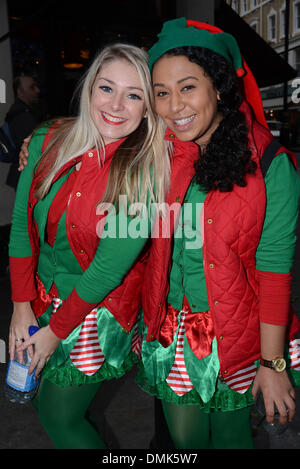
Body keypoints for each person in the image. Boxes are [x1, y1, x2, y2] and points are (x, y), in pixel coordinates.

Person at [136, 18, 300, 449]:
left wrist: (273, 362)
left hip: (237, 337)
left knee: (230, 440)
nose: (174, 107)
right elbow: (99, 137)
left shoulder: (270, 164)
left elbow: (275, 270)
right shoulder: (158, 153)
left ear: (219, 87)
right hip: (169, 332)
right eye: (162, 93)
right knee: (183, 442)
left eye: (188, 87)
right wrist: (41, 140)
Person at [8, 43, 169, 449]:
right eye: (106, 88)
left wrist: (53, 333)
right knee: (49, 408)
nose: (116, 104)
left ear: (148, 107)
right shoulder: (45, 140)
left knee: (58, 415)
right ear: (89, 90)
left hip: (98, 310)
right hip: (43, 298)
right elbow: (21, 230)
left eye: (134, 95)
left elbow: (107, 271)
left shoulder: (146, 171)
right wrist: (20, 306)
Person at [5, 75, 41, 190]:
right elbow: (35, 148)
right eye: (32, 88)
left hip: (24, 173)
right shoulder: (22, 116)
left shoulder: (23, 112)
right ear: (20, 92)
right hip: (26, 174)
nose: (37, 90)